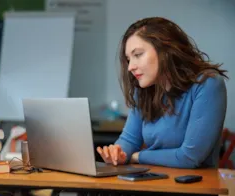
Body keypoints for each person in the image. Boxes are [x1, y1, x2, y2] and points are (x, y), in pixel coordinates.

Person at [97, 17, 228, 169]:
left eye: (138, 54)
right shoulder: (144, 91)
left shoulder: (208, 84)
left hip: (194, 187)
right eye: (128, 59)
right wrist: (118, 153)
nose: (130, 67)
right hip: (154, 183)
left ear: (165, 51)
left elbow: (190, 157)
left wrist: (138, 156)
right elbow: (129, 140)